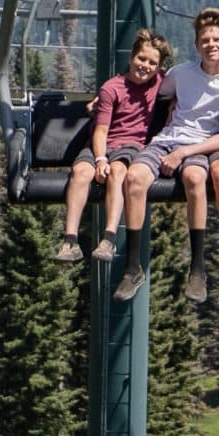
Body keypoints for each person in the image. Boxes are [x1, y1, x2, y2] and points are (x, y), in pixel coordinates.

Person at [117, 7, 219, 303]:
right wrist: (107, 96)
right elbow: (147, 88)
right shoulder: (180, 75)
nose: (211, 45)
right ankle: (133, 265)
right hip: (167, 140)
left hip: (201, 146)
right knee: (135, 178)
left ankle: (198, 267)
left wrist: (184, 153)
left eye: (217, 39)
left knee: (195, 177)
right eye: (205, 40)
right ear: (196, 45)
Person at [58, 27, 166, 266]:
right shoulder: (112, 88)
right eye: (141, 58)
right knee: (80, 173)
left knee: (119, 171)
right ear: (131, 57)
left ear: (158, 67)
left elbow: (189, 77)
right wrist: (99, 159)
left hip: (132, 144)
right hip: (104, 145)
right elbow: (101, 130)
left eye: (152, 63)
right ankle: (70, 240)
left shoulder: (160, 82)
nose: (145, 66)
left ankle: (109, 237)